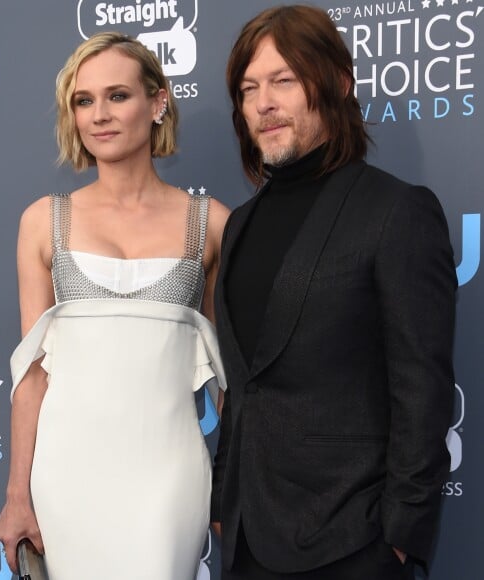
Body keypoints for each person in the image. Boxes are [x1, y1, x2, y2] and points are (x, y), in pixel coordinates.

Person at [211, 5, 456, 580]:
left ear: (338, 82)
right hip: (248, 541)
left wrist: (398, 537)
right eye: (249, 89)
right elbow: (245, 385)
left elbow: (422, 389)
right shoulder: (240, 223)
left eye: (283, 81)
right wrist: (226, 497)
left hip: (353, 542)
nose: (264, 103)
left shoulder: (396, 211)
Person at [0, 31, 229, 579]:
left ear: (158, 101)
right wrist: (16, 495)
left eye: (118, 95)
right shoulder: (42, 222)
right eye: (84, 100)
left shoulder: (212, 223)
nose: (99, 114)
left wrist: (238, 485)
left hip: (169, 475)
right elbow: (30, 375)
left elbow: (230, 378)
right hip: (66, 476)